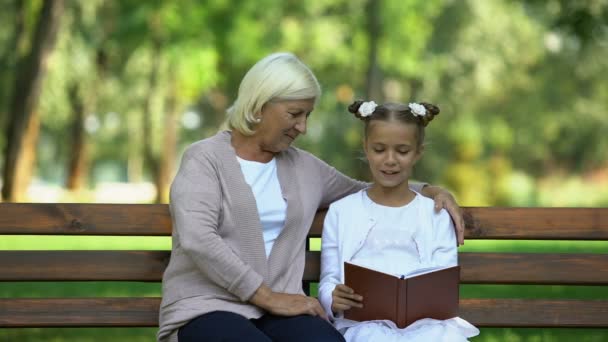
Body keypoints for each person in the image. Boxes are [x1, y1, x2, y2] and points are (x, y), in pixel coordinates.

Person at [157, 52, 465, 342]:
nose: (302, 127)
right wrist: (267, 296)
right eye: (295, 114)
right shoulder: (204, 159)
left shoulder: (303, 167)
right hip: (206, 307)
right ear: (259, 104)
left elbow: (370, 189)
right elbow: (198, 238)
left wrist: (429, 190)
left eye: (307, 115)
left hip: (279, 310)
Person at [318, 100, 479, 341]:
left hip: (428, 325)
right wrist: (332, 297)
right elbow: (329, 279)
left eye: (402, 151)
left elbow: (442, 281)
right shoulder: (342, 212)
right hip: (365, 324)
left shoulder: (434, 214)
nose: (390, 160)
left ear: (418, 153)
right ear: (366, 148)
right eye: (379, 149)